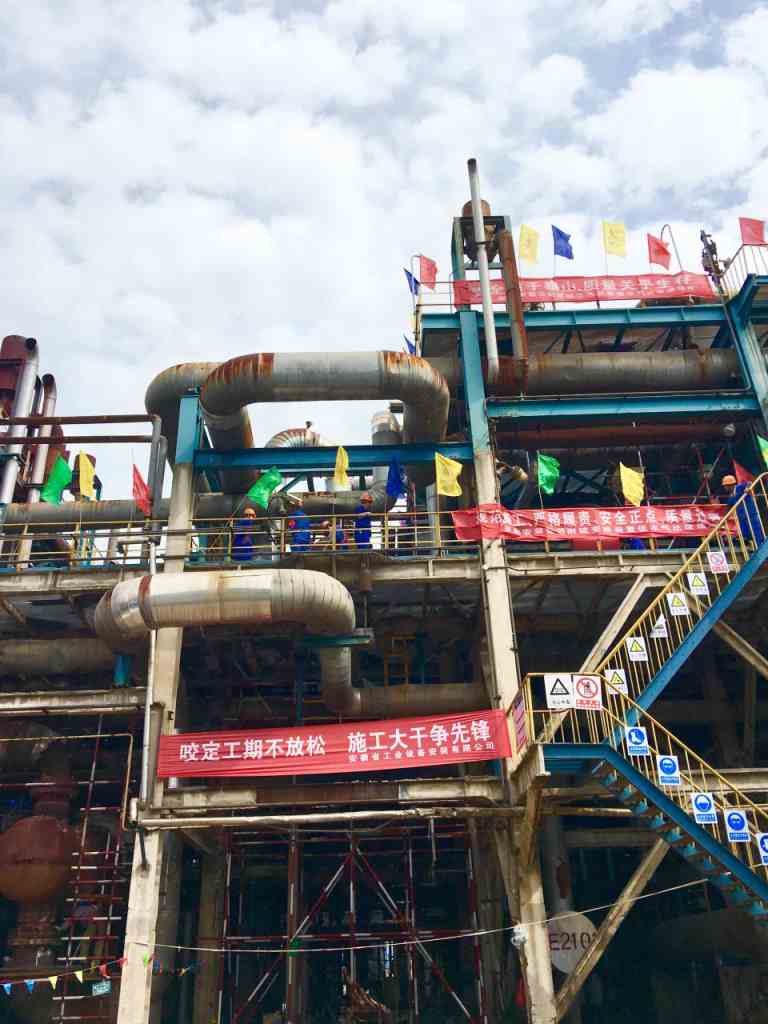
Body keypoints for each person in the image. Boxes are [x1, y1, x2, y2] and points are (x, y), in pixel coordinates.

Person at [722, 473, 765, 548]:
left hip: (750, 515)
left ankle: (760, 548)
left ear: (729, 485)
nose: (724, 488)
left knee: (755, 532)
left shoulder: (739, 487)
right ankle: (754, 547)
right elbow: (728, 507)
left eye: (725, 486)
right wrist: (724, 519)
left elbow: (749, 483)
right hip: (742, 518)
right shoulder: (731, 496)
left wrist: (747, 488)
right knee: (745, 534)